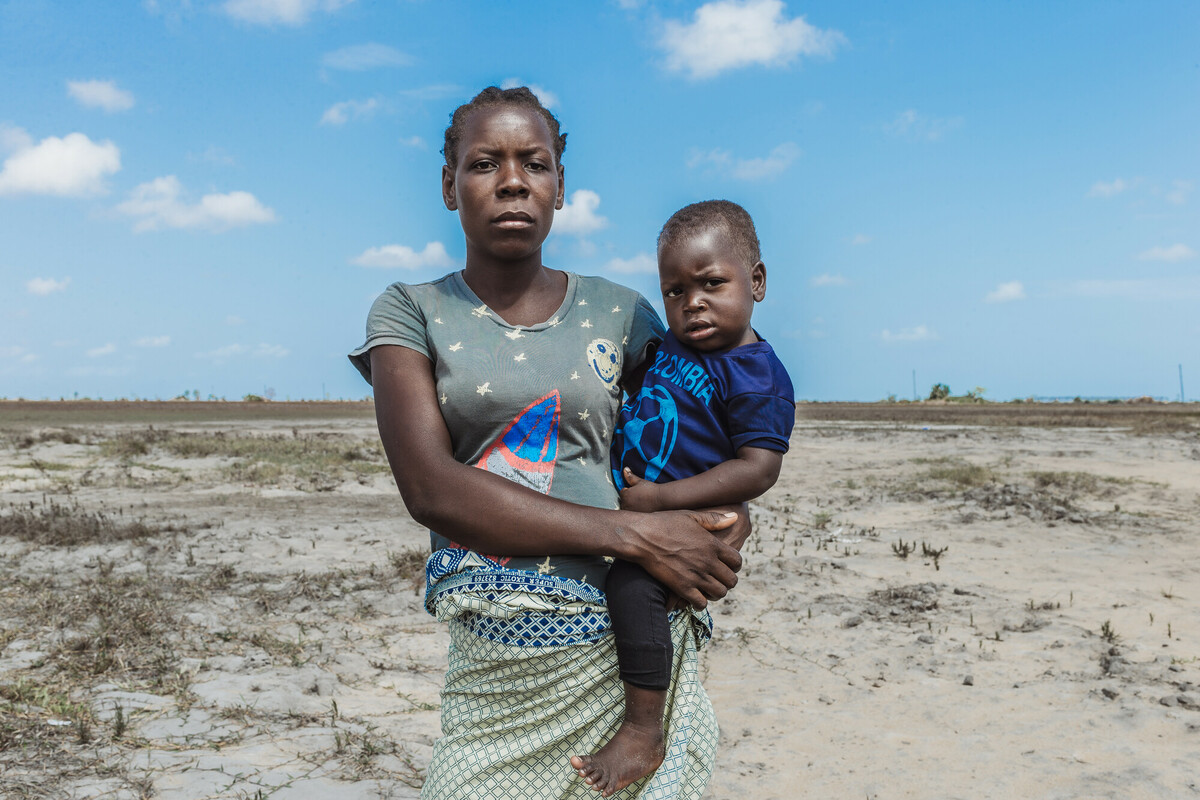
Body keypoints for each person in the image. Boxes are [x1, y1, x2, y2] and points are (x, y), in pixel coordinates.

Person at [348, 87, 749, 800]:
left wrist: (723, 521)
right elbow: (430, 488)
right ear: (449, 186)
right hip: (499, 660)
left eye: (534, 163)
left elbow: (699, 432)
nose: (511, 181)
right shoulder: (412, 311)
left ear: (560, 187)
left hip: (625, 650)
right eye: (483, 164)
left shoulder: (623, 313)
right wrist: (639, 536)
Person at [571, 201, 795, 796]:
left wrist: (661, 500)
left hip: (682, 521)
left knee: (631, 588)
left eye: (712, 284)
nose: (692, 302)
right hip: (639, 507)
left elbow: (760, 467)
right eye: (675, 290)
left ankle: (643, 730)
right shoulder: (668, 346)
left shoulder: (757, 374)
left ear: (758, 282)